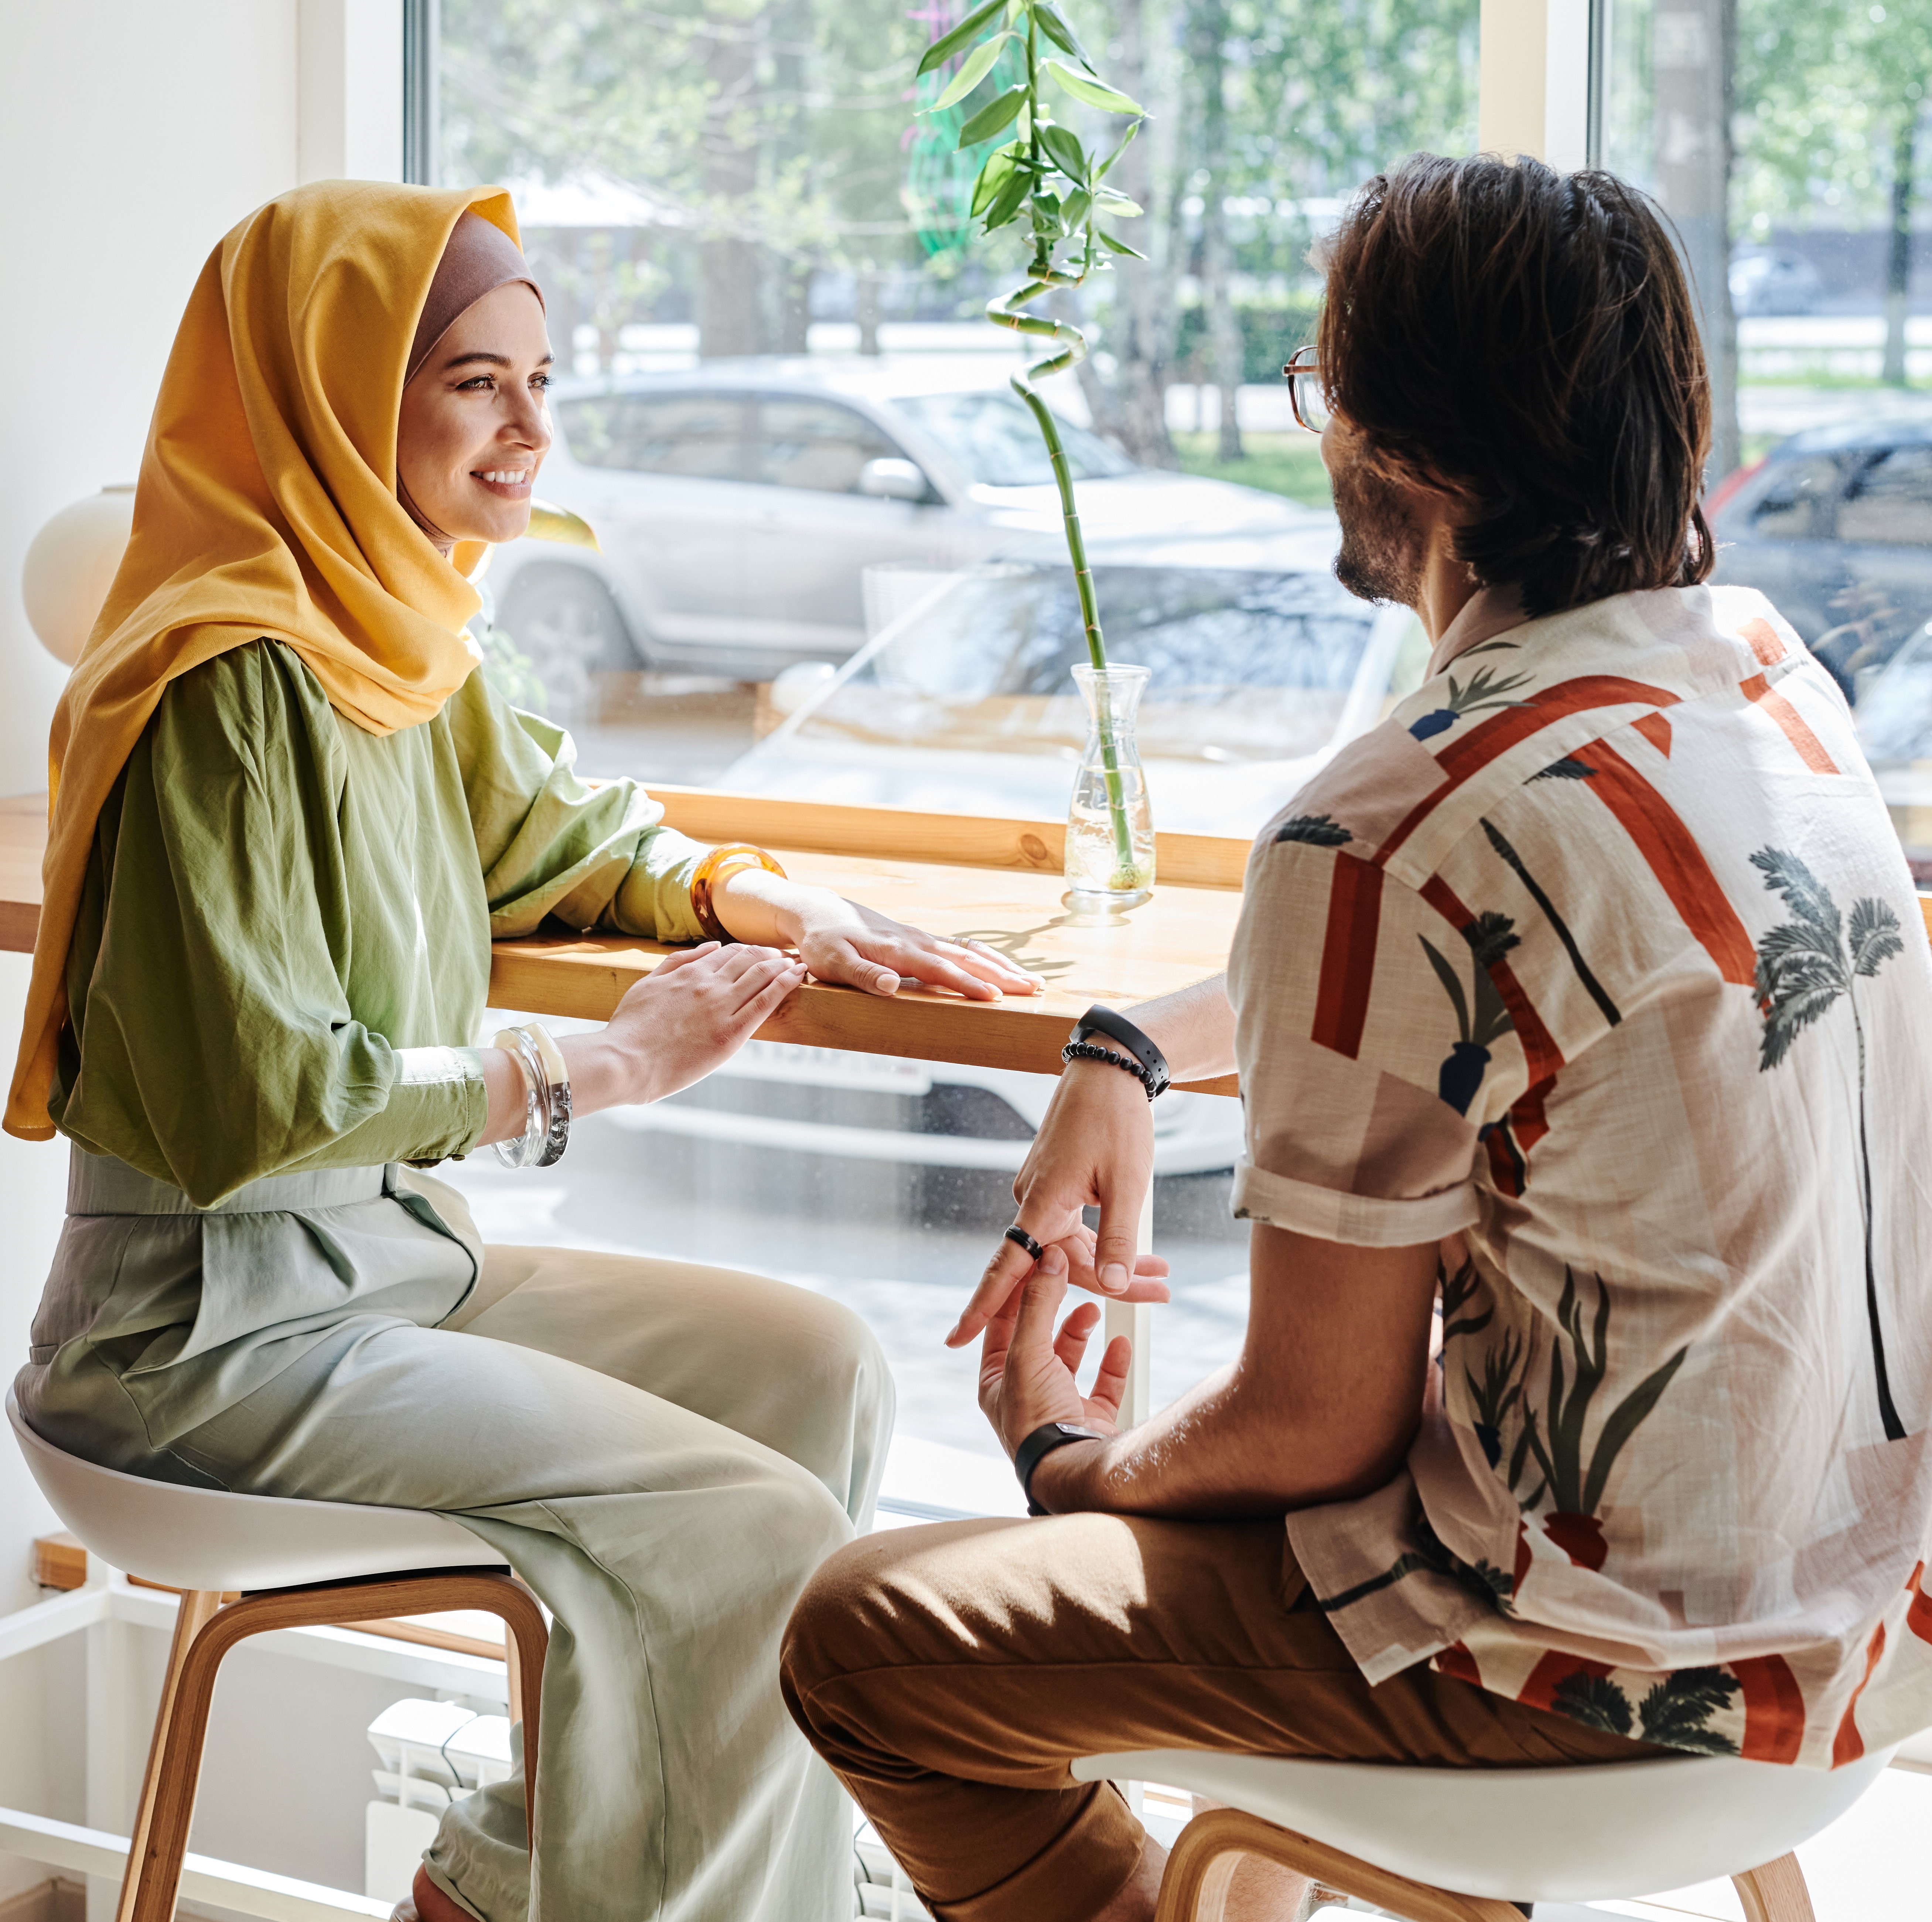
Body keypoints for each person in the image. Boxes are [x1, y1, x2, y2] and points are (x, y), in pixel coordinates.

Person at [780, 154, 1932, 1922]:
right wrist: (1128, 1043)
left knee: (864, 1637)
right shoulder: (1758, 682)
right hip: (1860, 1646)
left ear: (1405, 446)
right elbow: (1523, 993)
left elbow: (1317, 1427)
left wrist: (1061, 1456)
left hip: (1584, 1676)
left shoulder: (1388, 824)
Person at [9, 181, 1047, 1922]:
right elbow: (267, 1099)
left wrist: (766, 899)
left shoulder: (399, 635)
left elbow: (571, 830)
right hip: (202, 1339)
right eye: (478, 382)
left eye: (543, 381)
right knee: (748, 1534)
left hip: (390, 1275)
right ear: (340, 392)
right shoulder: (216, 680)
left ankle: (511, 1884)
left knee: (820, 1367)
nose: (532, 430)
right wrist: (596, 1072)